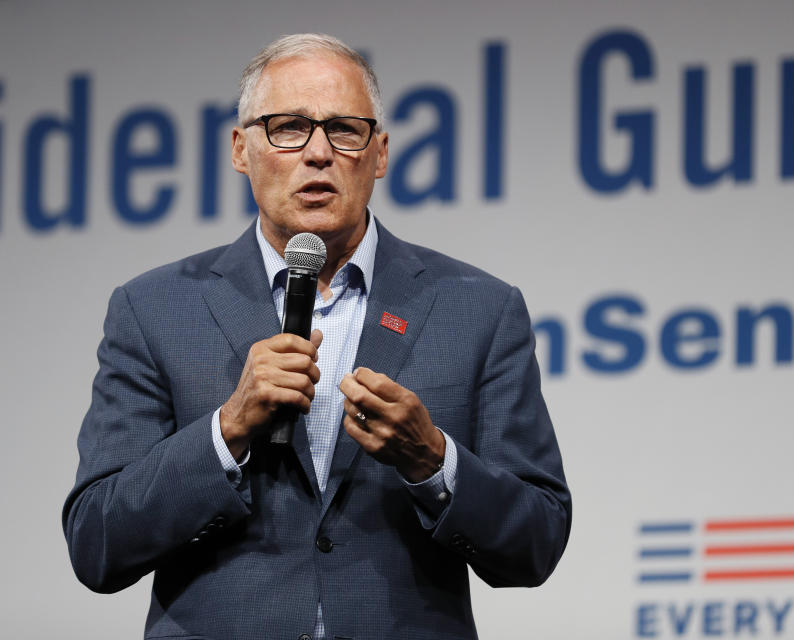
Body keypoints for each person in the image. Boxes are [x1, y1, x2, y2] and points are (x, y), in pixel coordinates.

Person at [62, 33, 571, 640]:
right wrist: (226, 431)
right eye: (288, 127)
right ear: (240, 149)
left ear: (379, 153)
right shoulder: (153, 309)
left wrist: (432, 462)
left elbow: (537, 540)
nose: (318, 153)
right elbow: (96, 543)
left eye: (345, 130)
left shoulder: (479, 309)